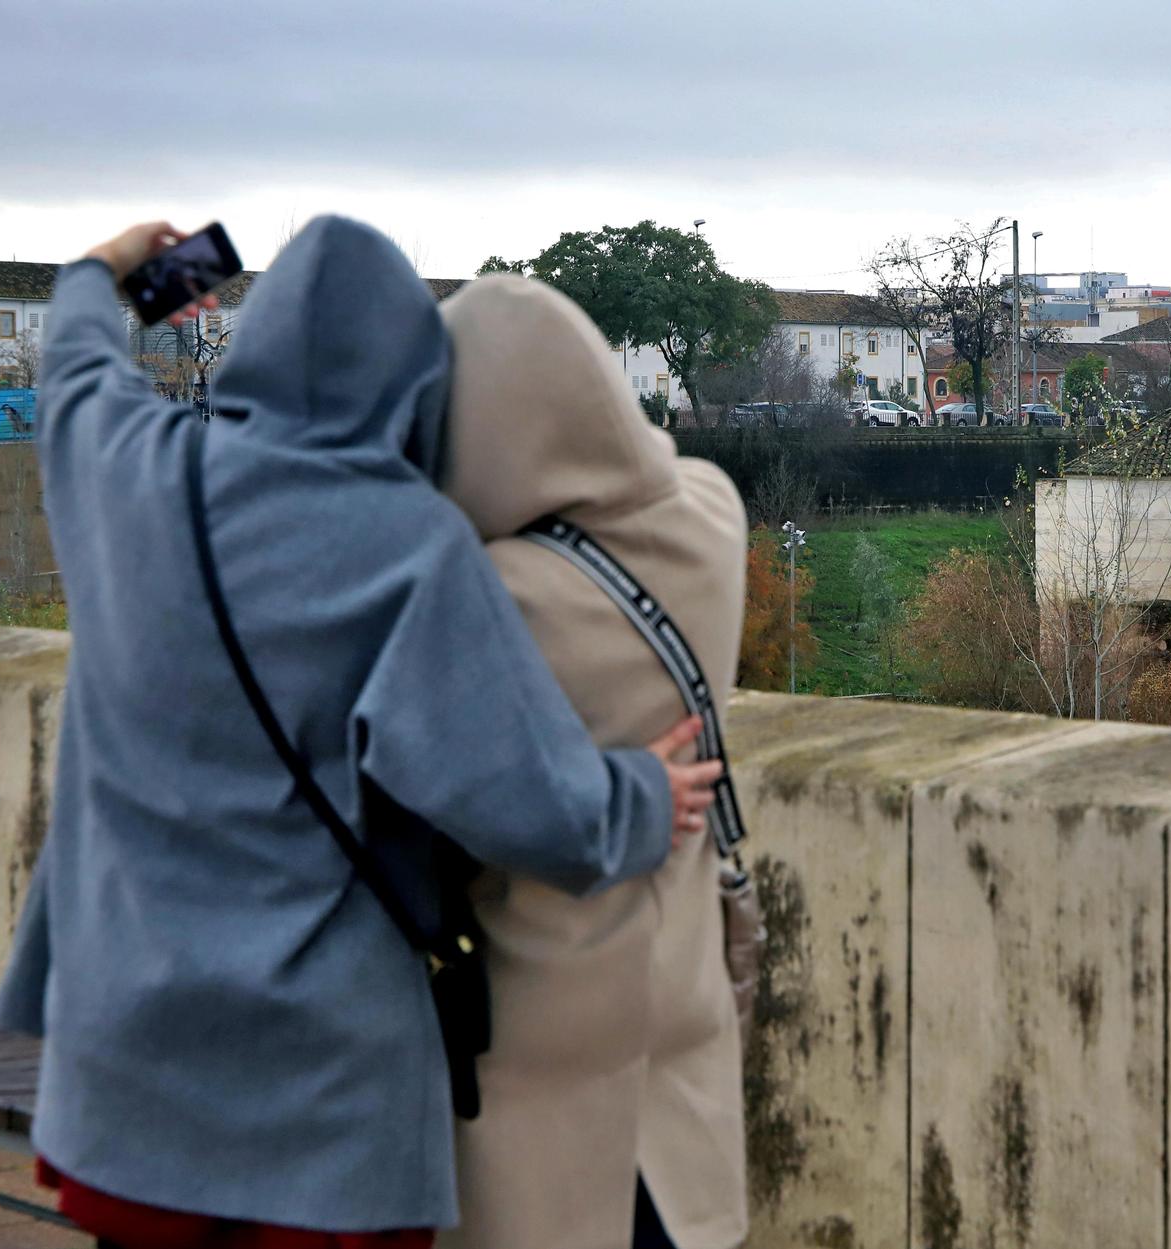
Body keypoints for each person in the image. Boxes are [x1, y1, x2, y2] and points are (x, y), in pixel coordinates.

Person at [0, 219, 722, 1246]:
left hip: (126, 1082)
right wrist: (643, 797)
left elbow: (75, 354)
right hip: (321, 1110)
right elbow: (520, 797)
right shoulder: (408, 545)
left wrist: (128, 270)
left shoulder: (127, 469)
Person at [434, 275, 749, 1249]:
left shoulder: (482, 593)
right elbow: (656, 470)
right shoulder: (713, 519)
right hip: (684, 1024)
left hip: (534, 1067)